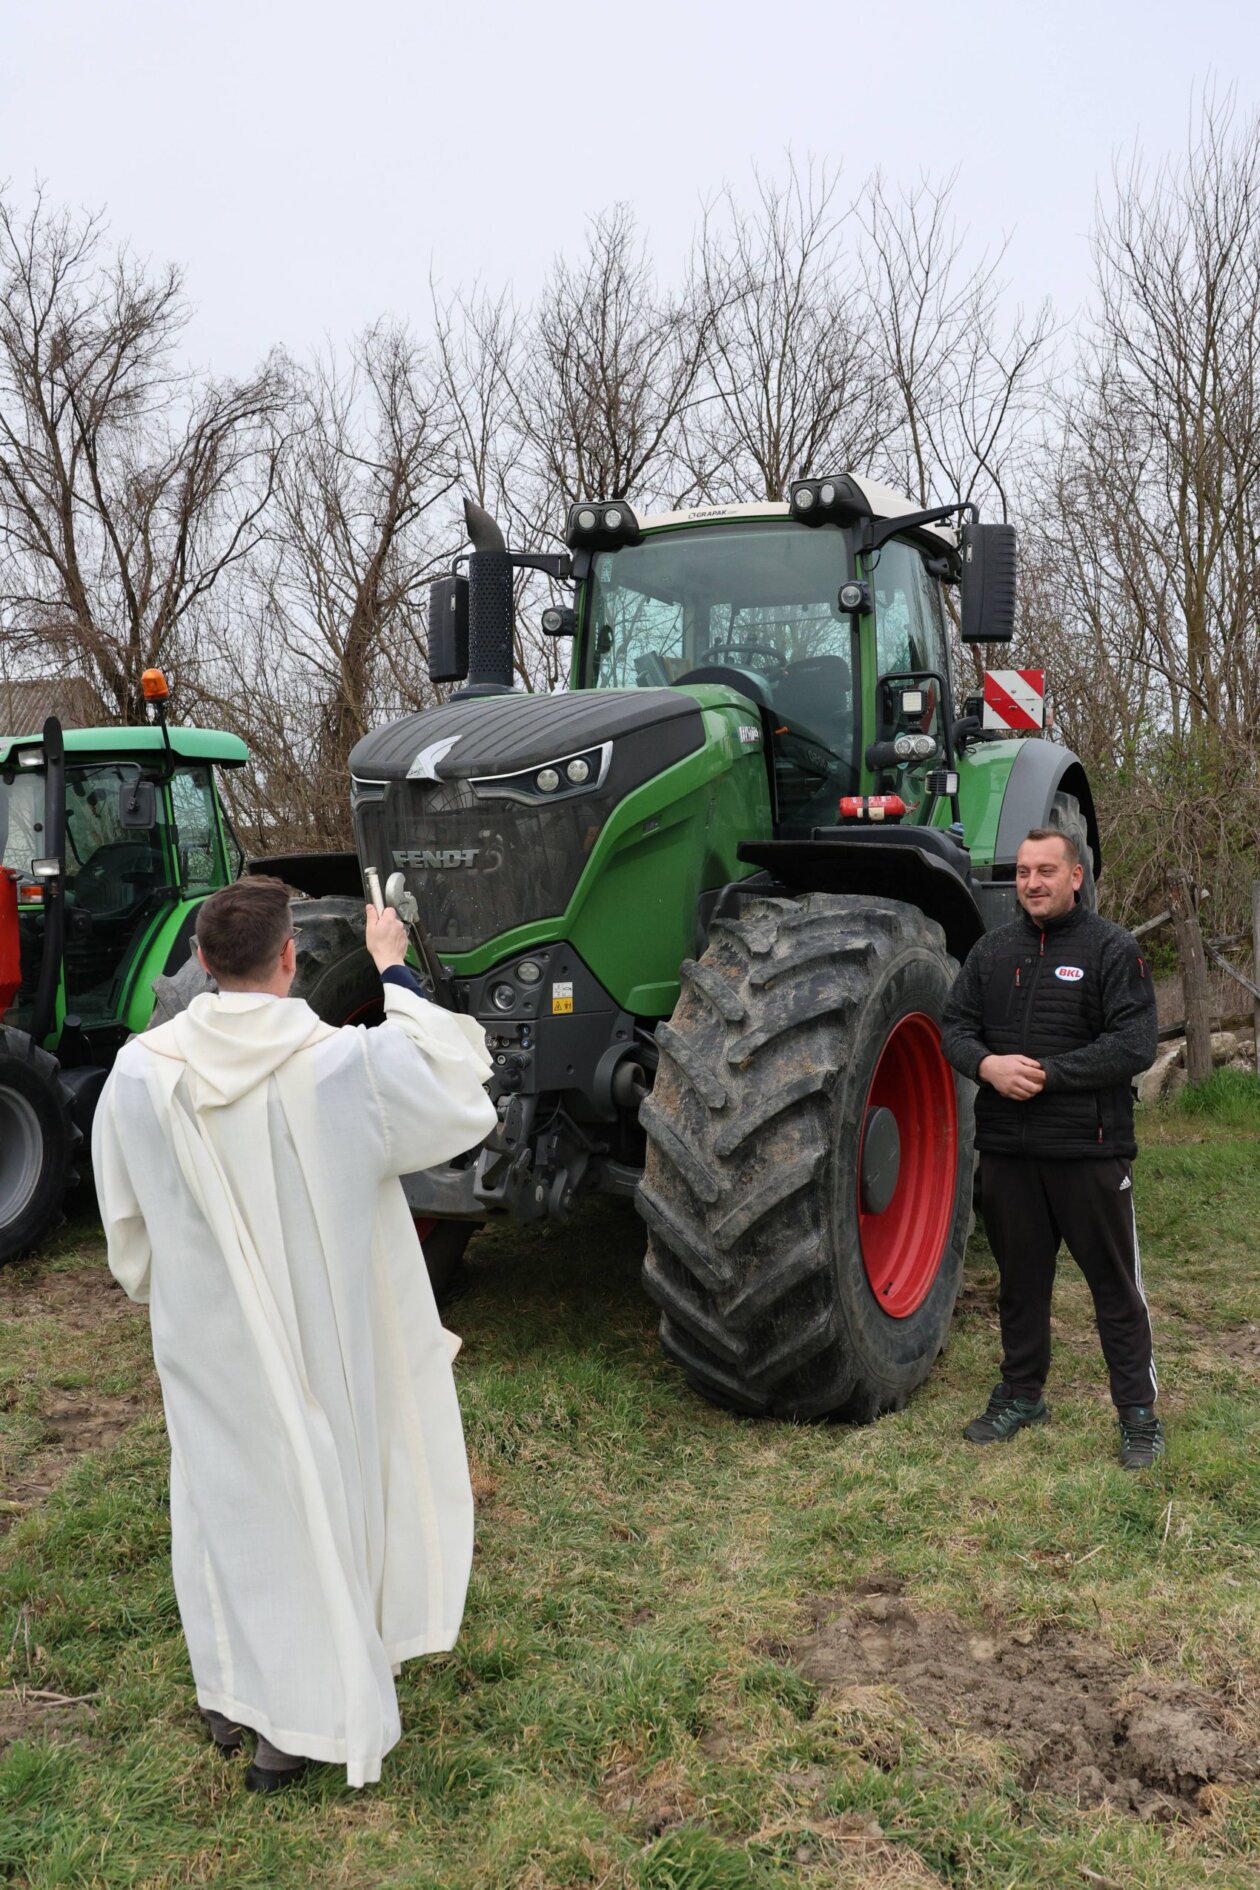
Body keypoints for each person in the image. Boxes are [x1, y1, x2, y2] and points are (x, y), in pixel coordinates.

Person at [92, 876, 497, 1790]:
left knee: (221, 1501)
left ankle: (232, 1695)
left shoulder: (139, 1073)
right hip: (321, 1335)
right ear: (290, 957)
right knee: (314, 1498)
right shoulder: (339, 1067)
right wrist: (393, 965)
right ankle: (294, 1725)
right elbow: (452, 1087)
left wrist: (180, 1291)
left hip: (204, 1336)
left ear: (199, 962)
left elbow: (127, 1232)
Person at [940, 828, 1162, 1469]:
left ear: (1075, 876)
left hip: (1090, 1152)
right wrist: (986, 1067)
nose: (1032, 883)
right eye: (1022, 872)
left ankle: (1138, 1415)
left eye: (1046, 870)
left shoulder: (1112, 948)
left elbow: (1134, 1043)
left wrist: (1045, 1073)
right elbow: (954, 1028)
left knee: (1115, 1287)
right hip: (1009, 1153)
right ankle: (1021, 1393)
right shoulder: (991, 951)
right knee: (1020, 1284)